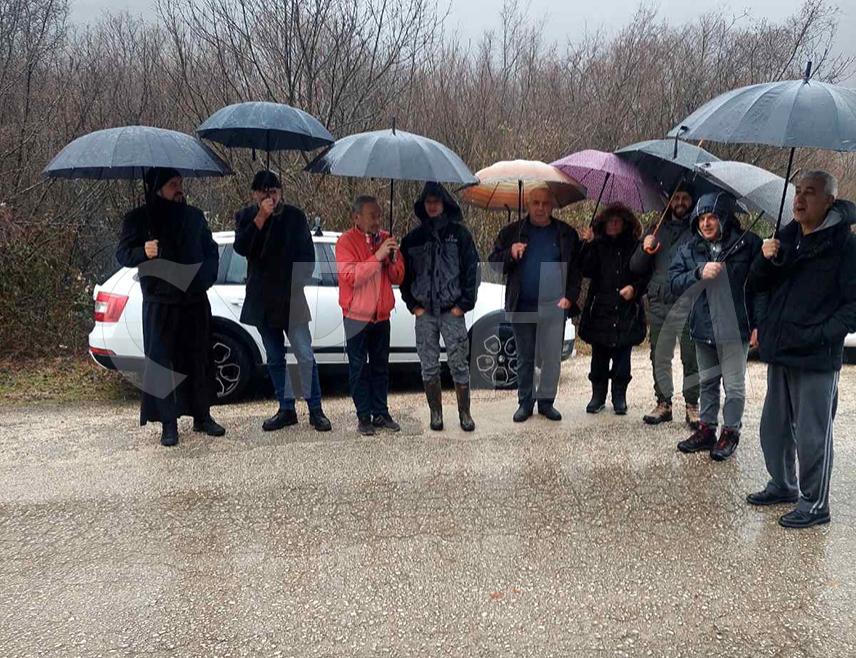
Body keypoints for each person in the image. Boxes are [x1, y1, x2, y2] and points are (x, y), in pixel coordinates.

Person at [747, 171, 856, 528]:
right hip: (781, 349)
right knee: (773, 428)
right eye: (797, 191)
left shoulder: (845, 246)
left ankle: (815, 503)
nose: (799, 198)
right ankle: (783, 485)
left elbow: (852, 307)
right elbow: (759, 285)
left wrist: (821, 334)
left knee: (813, 435)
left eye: (810, 192)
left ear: (829, 201)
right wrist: (765, 258)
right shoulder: (786, 239)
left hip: (817, 357)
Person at [115, 167, 224, 447]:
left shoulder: (194, 216)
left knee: (198, 360)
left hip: (194, 301)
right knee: (163, 363)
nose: (179, 188)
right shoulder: (139, 220)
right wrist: (144, 252)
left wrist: (204, 280)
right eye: (173, 184)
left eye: (180, 183)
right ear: (157, 188)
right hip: (160, 303)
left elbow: (211, 252)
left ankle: (202, 416)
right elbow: (123, 254)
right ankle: (168, 422)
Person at [233, 170, 331, 432]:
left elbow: (307, 257)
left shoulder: (295, 217)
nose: (271, 197)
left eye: (274, 191)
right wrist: (261, 218)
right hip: (262, 299)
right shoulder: (246, 217)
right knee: (275, 357)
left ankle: (316, 409)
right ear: (255, 195)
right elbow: (242, 248)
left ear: (281, 192)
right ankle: (286, 408)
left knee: (305, 354)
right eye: (265, 193)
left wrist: (296, 283)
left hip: (291, 297)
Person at [669, 192, 762, 461]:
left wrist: (757, 324)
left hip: (736, 326)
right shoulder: (689, 249)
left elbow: (760, 288)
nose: (706, 224)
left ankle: (730, 432)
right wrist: (698, 273)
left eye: (712, 218)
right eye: (701, 219)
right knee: (707, 382)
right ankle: (706, 429)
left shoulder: (748, 245)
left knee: (734, 386)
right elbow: (674, 283)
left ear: (723, 218)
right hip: (702, 324)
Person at [488, 185, 581, 423]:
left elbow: (576, 269)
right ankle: (525, 403)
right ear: (528, 205)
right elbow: (493, 263)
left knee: (551, 358)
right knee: (525, 358)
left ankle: (547, 402)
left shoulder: (565, 233)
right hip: (522, 304)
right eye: (535, 203)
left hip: (554, 306)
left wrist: (570, 296)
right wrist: (510, 252)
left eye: (545, 203)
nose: (540, 207)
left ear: (552, 206)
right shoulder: (512, 232)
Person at [400, 182, 480, 432]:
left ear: (444, 203)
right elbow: (404, 276)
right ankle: (436, 413)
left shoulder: (461, 235)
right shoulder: (412, 239)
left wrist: (464, 304)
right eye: (428, 201)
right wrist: (412, 305)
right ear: (423, 206)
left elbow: (471, 272)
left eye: (436, 201)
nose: (432, 205)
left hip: (451, 312)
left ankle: (464, 413)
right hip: (424, 313)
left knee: (459, 363)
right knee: (428, 365)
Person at [630, 181, 700, 428]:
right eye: (676, 198)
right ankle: (663, 403)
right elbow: (635, 267)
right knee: (659, 356)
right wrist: (644, 249)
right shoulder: (655, 228)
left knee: (692, 357)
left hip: (688, 301)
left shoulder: (698, 228)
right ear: (669, 201)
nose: (680, 203)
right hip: (659, 302)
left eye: (685, 198)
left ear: (692, 202)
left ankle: (692, 405)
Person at [335, 196, 405, 436]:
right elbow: (351, 276)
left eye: (378, 215)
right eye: (372, 215)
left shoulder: (387, 239)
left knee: (380, 367)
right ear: (357, 217)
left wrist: (393, 259)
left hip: (381, 315)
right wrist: (377, 257)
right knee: (358, 367)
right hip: (356, 316)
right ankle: (363, 416)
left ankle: (381, 413)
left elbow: (398, 278)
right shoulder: (345, 242)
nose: (377, 220)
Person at [578, 203, 648, 415]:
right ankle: (597, 396)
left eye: (618, 220)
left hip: (626, 311)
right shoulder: (596, 245)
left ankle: (620, 396)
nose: (614, 224)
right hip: (600, 309)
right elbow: (585, 270)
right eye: (610, 220)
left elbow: (645, 274)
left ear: (625, 223)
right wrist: (587, 244)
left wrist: (634, 289)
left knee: (622, 359)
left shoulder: (636, 246)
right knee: (598, 357)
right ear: (603, 223)